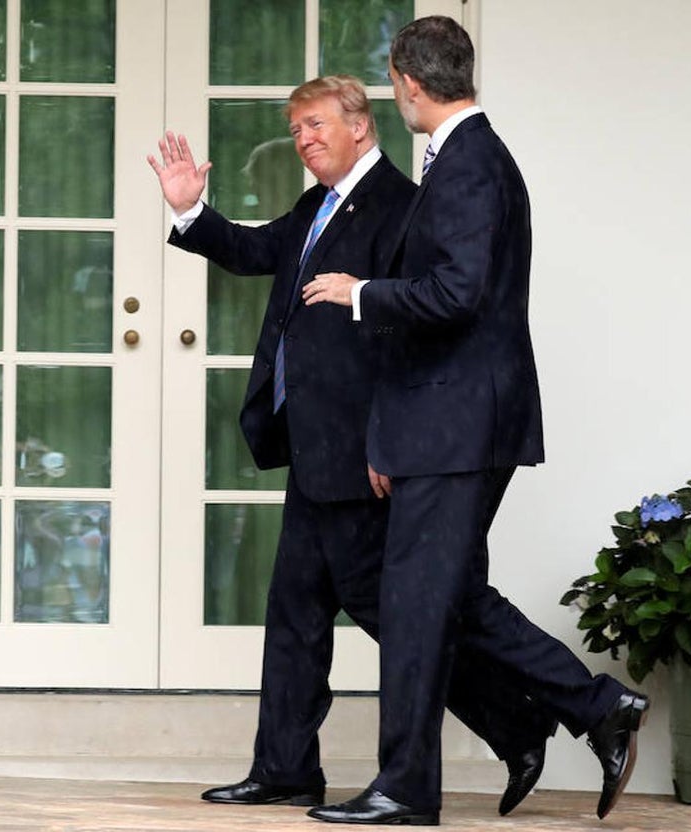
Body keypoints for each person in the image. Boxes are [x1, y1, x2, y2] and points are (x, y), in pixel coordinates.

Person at [147, 75, 556, 815]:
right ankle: (284, 768)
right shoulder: (318, 205)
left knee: (408, 615)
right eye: (295, 128)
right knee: (298, 611)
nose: (302, 139)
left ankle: (518, 721)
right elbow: (250, 249)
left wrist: (386, 445)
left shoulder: (405, 205)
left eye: (314, 124)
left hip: (369, 457)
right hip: (314, 447)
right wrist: (189, 210)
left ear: (362, 125)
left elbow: (413, 337)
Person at [301, 18, 648, 826]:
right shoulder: (467, 159)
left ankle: (406, 789)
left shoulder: (469, 165)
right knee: (447, 594)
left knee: (418, 600)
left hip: (457, 425)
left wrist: (360, 292)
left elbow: (456, 295)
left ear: (408, 84)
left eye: (394, 86)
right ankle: (594, 708)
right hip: (448, 422)